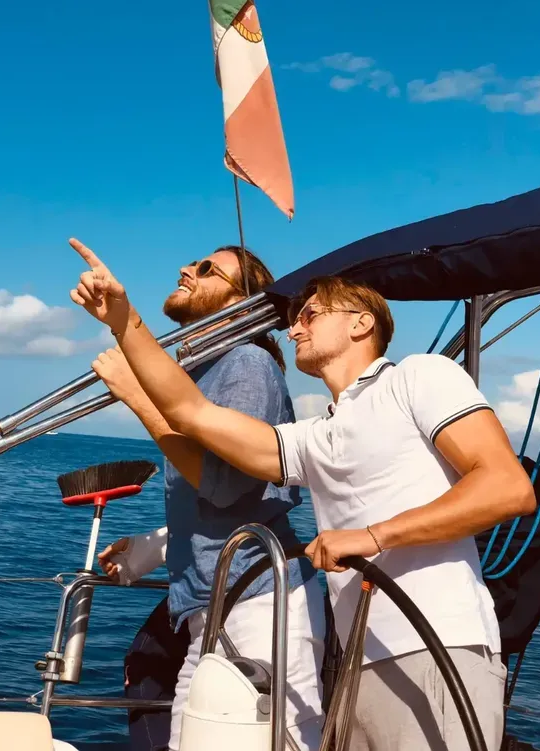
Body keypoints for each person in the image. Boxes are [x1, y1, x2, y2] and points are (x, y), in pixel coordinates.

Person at [69, 243, 537, 751]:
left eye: (310, 315)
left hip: (438, 645)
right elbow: (192, 414)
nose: (293, 330)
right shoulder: (317, 436)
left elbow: (506, 487)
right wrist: (124, 319)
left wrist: (373, 536)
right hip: (358, 659)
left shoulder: (419, 376)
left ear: (361, 323)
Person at [74, 242, 325, 751]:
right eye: (193, 262)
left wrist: (136, 394)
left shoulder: (248, 363)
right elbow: (218, 509)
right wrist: (148, 549)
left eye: (208, 269)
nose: (187, 268)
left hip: (261, 610)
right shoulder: (203, 375)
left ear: (241, 303)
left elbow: (226, 485)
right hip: (210, 614)